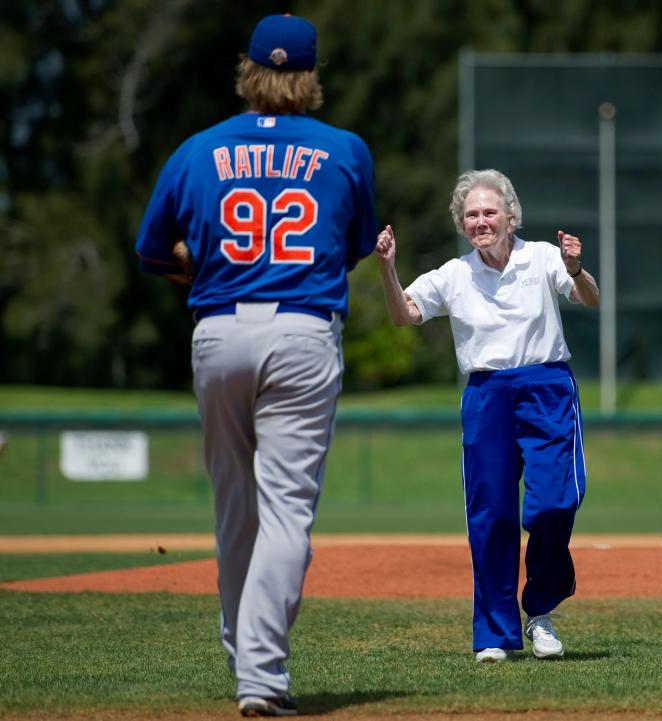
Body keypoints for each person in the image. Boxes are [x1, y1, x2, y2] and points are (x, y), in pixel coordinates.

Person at [135, 14, 377, 717]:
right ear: (311, 75)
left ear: (249, 70)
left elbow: (154, 250)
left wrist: (211, 266)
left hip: (217, 330)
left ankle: (245, 652)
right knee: (286, 512)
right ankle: (262, 676)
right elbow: (351, 242)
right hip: (302, 331)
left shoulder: (197, 149)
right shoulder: (345, 150)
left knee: (235, 509)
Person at [375, 169, 599, 662]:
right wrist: (388, 269)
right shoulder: (454, 274)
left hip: (546, 388)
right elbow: (403, 315)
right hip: (487, 395)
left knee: (555, 503)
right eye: (471, 214)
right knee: (491, 515)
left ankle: (540, 611)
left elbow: (588, 298)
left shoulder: (543, 257)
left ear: (510, 215)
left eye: (489, 212)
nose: (481, 221)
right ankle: (495, 635)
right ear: (462, 222)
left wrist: (577, 268)